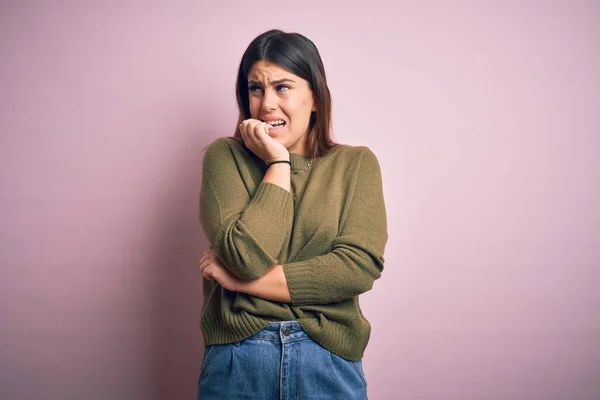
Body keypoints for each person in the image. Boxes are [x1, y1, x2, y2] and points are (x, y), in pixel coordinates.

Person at [197, 29, 388, 399]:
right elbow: (245, 256)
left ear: (315, 96)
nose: (267, 104)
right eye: (256, 88)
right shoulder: (225, 157)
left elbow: (356, 268)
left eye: (282, 87)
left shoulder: (356, 164)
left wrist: (241, 284)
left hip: (327, 359)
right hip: (239, 358)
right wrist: (278, 162)